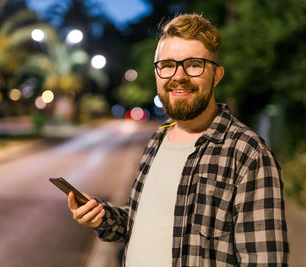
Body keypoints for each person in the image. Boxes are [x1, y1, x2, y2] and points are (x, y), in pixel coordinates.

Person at [68, 13, 289, 266]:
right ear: (157, 73)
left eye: (194, 64)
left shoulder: (247, 153)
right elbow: (141, 222)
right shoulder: (159, 138)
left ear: (216, 75)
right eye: (167, 65)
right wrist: (102, 216)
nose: (178, 76)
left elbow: (265, 260)